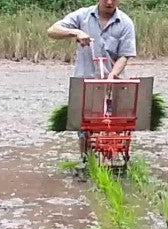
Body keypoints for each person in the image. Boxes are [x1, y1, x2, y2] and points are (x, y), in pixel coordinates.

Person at [47, 0, 136, 158]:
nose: (109, 2)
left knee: (115, 124)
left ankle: (114, 157)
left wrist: (112, 75)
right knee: (85, 126)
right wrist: (76, 32)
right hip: (86, 82)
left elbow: (125, 55)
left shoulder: (125, 23)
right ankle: (86, 159)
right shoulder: (83, 16)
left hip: (112, 83)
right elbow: (52, 31)